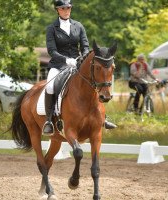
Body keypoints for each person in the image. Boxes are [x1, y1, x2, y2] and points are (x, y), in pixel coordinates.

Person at [43, 0, 117, 136]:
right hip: (58, 65)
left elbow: (85, 46)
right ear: (57, 10)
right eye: (63, 8)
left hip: (77, 64)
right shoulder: (51, 28)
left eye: (68, 8)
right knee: (50, 87)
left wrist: (82, 58)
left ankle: (103, 118)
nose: (66, 11)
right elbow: (52, 50)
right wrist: (66, 60)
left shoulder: (78, 26)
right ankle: (48, 121)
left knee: (94, 83)